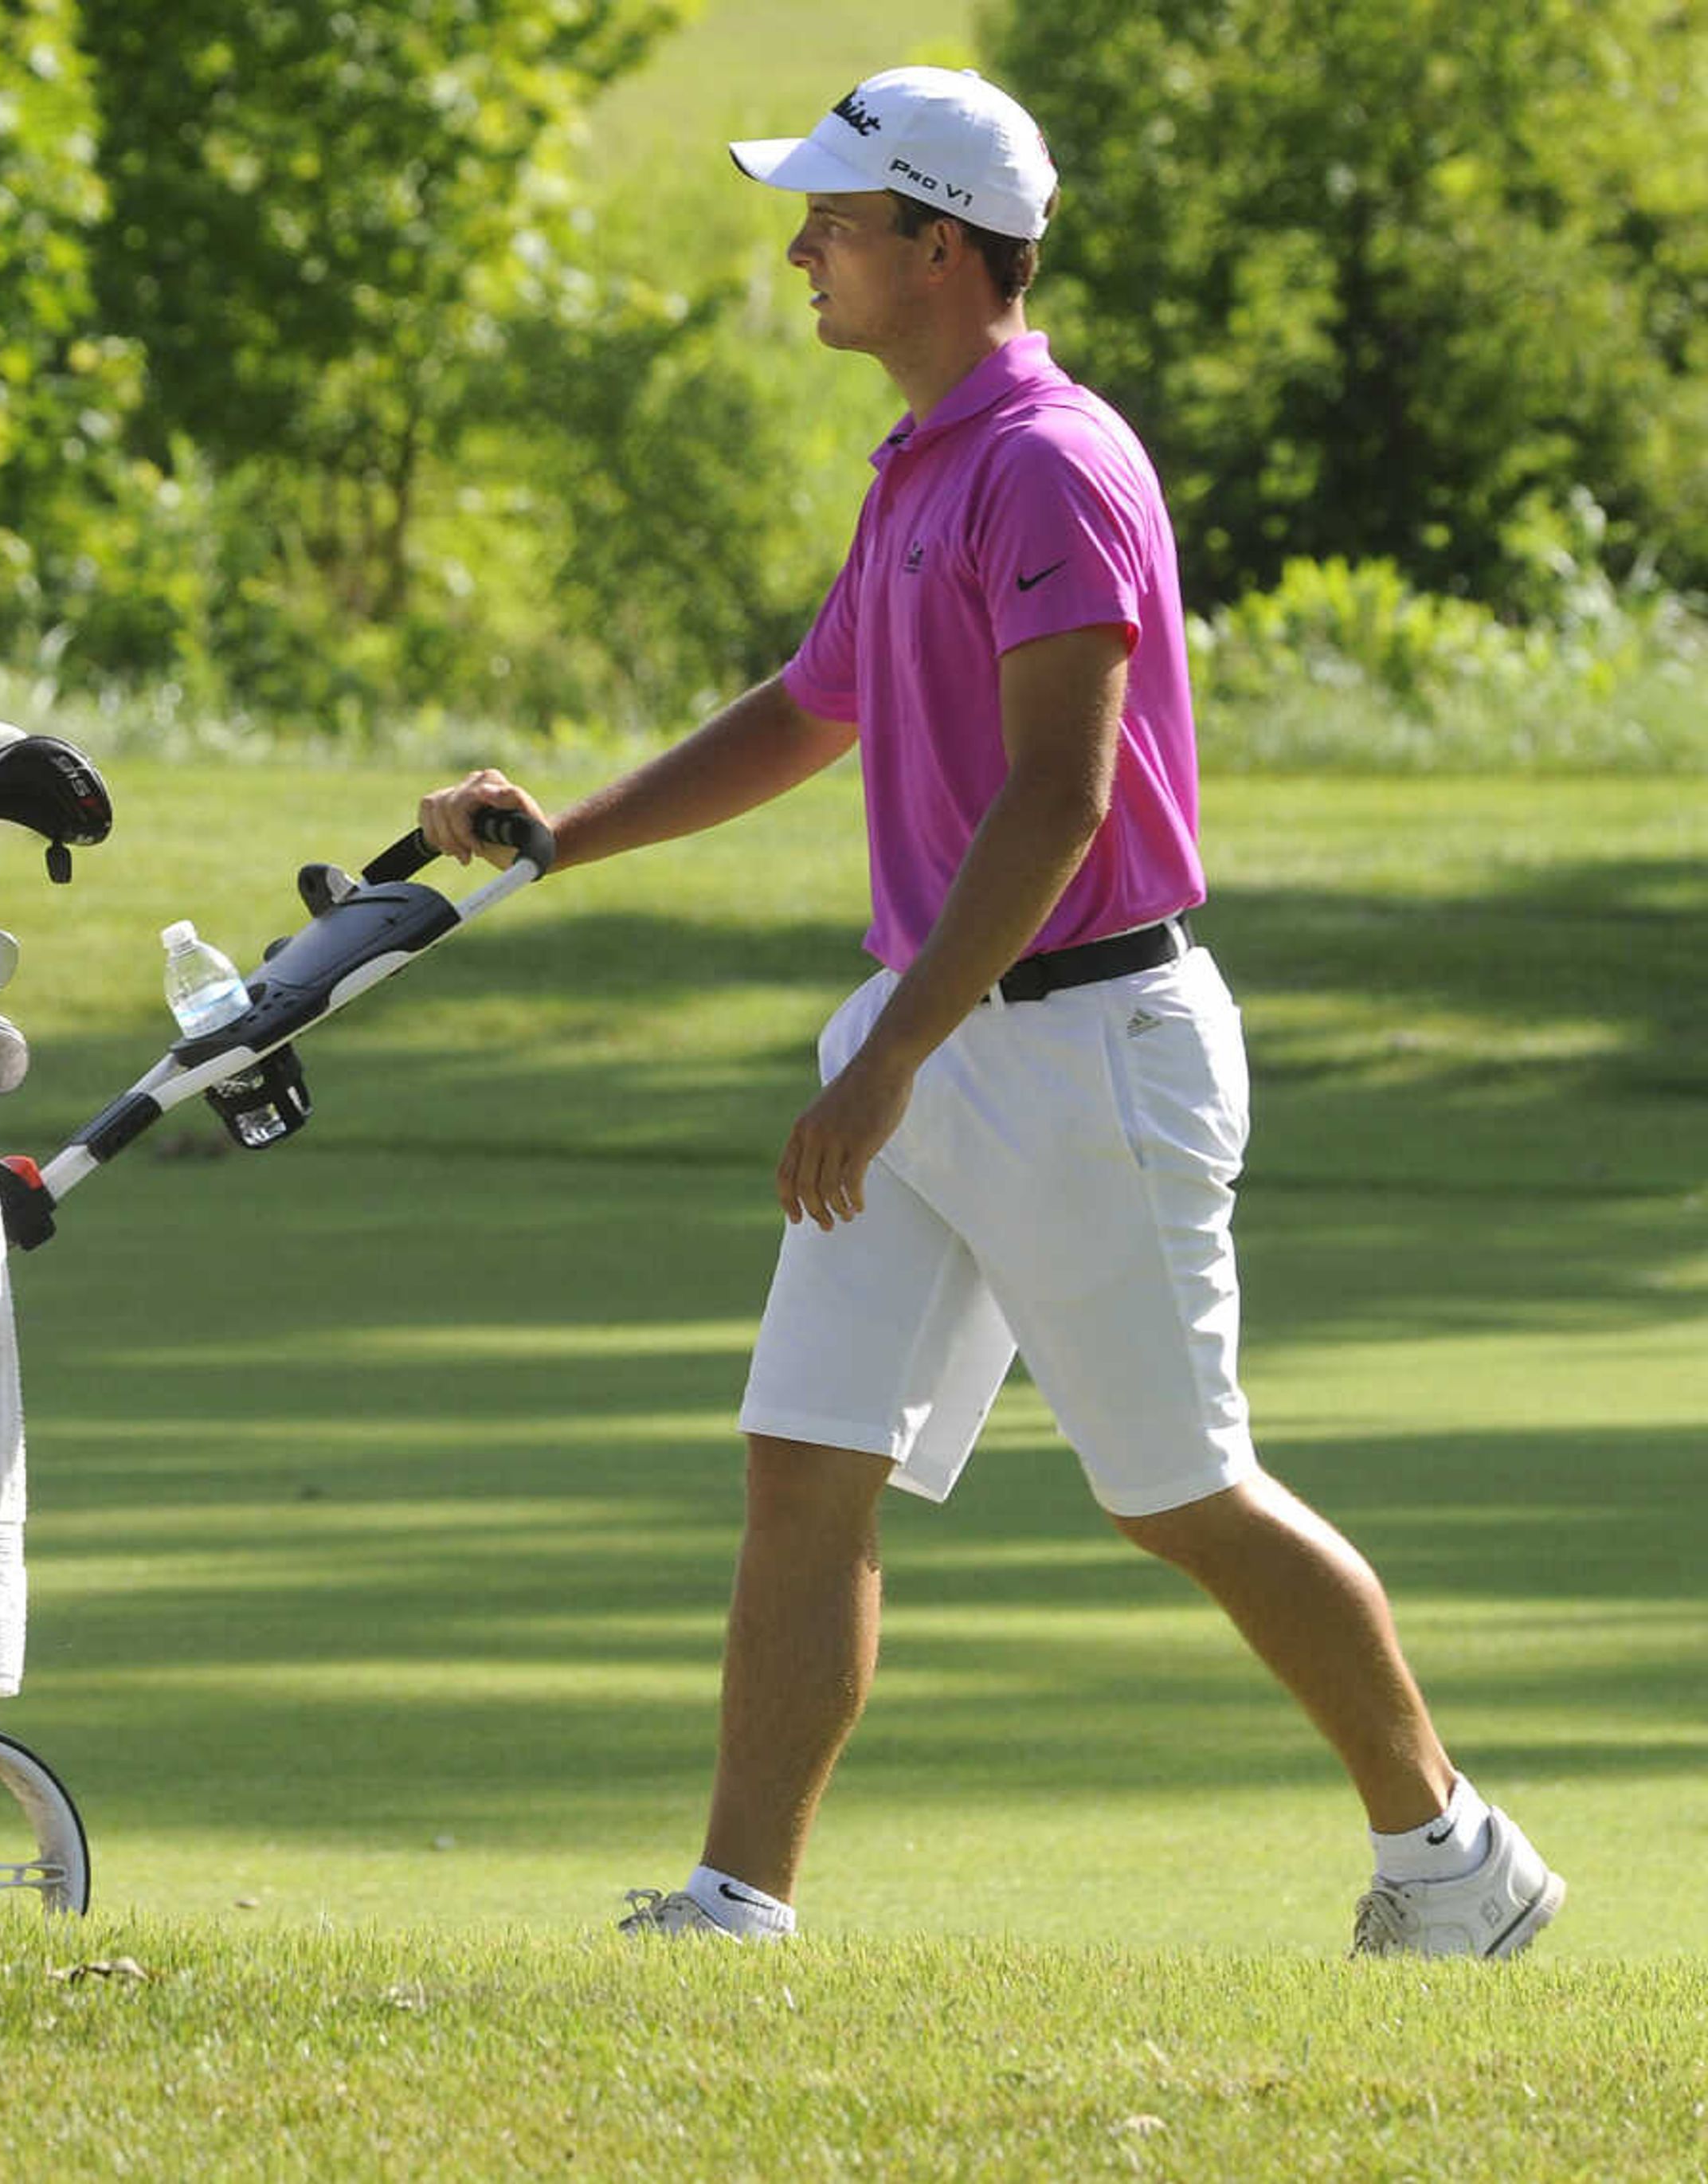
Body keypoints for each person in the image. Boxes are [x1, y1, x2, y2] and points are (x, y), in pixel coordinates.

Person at [417, 65, 1563, 1959]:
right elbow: (813, 709)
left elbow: (1061, 797)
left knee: (1181, 1490)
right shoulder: (926, 464)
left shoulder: (1049, 463)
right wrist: (564, 842)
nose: (802, 250)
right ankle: (737, 1906)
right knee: (805, 1461)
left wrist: (884, 1062)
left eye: (835, 224)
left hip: (1083, 1048)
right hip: (949, 1038)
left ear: (938, 250)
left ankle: (1456, 1862)